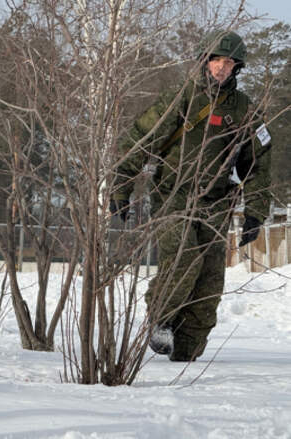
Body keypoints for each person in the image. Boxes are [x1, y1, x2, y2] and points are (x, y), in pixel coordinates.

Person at [111, 30, 272, 361]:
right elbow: (142, 138)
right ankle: (161, 319)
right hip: (173, 196)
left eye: (229, 63)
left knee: (209, 285)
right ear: (205, 61)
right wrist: (121, 187)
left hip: (216, 202)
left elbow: (259, 163)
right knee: (185, 259)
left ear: (236, 68)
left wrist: (255, 211)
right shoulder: (182, 97)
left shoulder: (244, 109)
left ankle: (185, 355)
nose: (222, 68)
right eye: (216, 61)